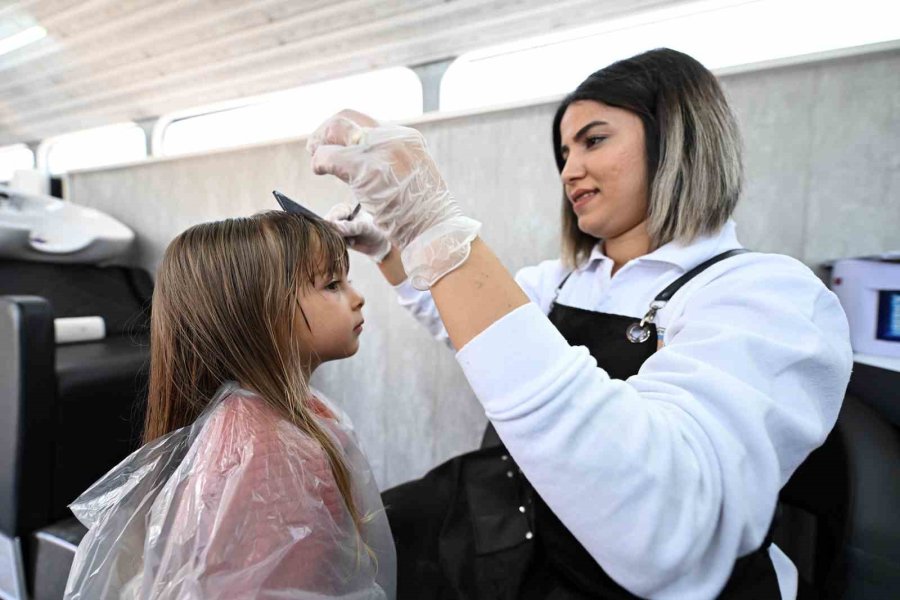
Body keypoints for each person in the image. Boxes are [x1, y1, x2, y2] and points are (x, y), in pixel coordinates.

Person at [310, 48, 852, 599]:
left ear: (678, 140)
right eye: (564, 152)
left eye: (593, 140)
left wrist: (430, 223)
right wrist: (390, 248)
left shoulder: (765, 294)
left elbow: (668, 524)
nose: (570, 170)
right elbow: (465, 326)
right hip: (520, 526)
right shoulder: (564, 281)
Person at [64, 211, 396, 599]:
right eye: (332, 284)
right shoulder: (264, 450)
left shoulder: (278, 422)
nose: (358, 298)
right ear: (255, 312)